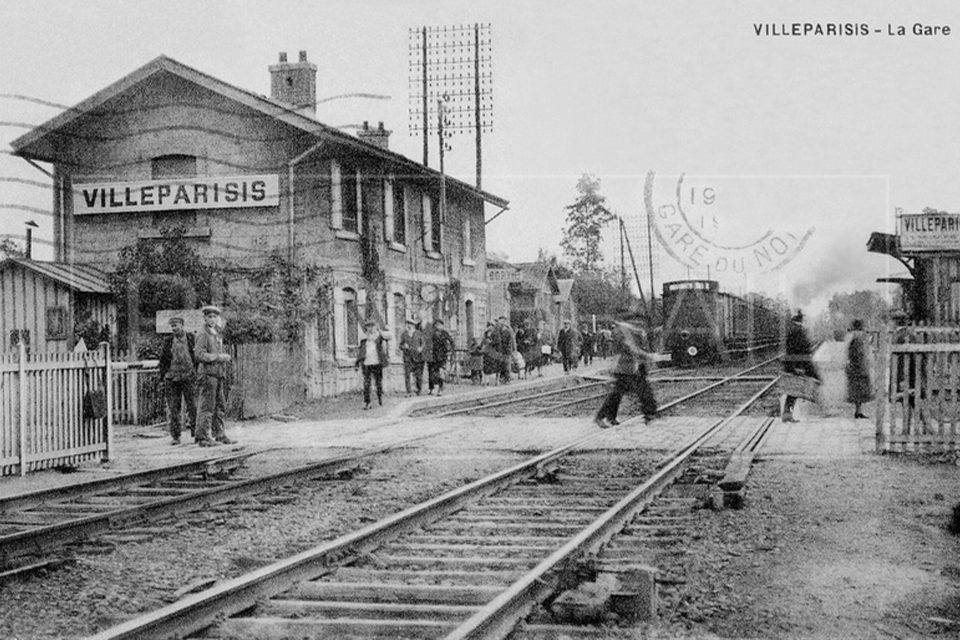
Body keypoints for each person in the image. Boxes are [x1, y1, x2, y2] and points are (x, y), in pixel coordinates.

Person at [595, 316, 657, 427]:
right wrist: (648, 356)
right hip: (623, 367)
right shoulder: (623, 331)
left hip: (631, 367)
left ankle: (608, 417)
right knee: (618, 393)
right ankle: (602, 416)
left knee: (620, 393)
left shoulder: (632, 331)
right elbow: (631, 348)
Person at [194, 305, 236, 446]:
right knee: (207, 407)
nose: (212, 319)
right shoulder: (202, 334)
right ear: (205, 318)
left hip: (217, 374)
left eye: (214, 317)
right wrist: (219, 357)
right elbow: (199, 354)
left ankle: (219, 434)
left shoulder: (216, 333)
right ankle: (203, 438)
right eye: (209, 316)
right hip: (207, 375)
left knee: (220, 406)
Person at [158, 316, 197, 445]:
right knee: (174, 408)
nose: (174, 328)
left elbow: (196, 356)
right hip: (172, 378)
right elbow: (163, 359)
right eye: (172, 326)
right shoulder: (168, 341)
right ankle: (176, 436)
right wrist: (163, 376)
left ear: (182, 325)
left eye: (176, 325)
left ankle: (196, 433)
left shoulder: (191, 338)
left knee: (193, 406)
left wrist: (196, 372)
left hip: (188, 377)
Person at [782, 311, 820, 423]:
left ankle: (787, 414)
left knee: (793, 392)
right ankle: (787, 414)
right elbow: (802, 349)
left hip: (792, 365)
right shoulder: (798, 331)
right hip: (797, 365)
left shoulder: (792, 330)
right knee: (794, 391)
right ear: (800, 321)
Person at [355, 320, 390, 409]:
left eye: (372, 326)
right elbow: (361, 351)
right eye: (368, 326)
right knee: (366, 383)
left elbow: (389, 336)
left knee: (378, 382)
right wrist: (358, 362)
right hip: (366, 363)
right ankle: (367, 402)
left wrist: (380, 331)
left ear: (375, 327)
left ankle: (380, 399)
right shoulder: (364, 338)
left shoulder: (379, 336)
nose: (370, 328)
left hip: (377, 362)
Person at [846, 319, 872, 419]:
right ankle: (858, 411)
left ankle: (858, 411)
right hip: (858, 367)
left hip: (855, 367)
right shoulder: (857, 338)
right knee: (859, 389)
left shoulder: (853, 337)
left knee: (857, 390)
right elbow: (859, 353)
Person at [425, 318, 454, 396]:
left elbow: (451, 342)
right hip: (434, 355)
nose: (438, 326)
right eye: (436, 325)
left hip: (442, 356)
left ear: (442, 325)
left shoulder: (445, 333)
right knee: (432, 373)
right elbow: (429, 343)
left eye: (439, 325)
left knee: (441, 373)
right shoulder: (433, 333)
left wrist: (450, 351)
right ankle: (431, 388)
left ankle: (440, 389)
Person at [398, 318, 425, 396]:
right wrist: (404, 346)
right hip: (407, 357)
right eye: (407, 324)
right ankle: (408, 391)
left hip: (417, 357)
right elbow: (400, 345)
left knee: (418, 375)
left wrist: (420, 348)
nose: (409, 325)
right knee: (407, 375)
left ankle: (419, 390)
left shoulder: (419, 333)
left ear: (414, 325)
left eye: (410, 324)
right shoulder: (404, 334)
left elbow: (423, 343)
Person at [495, 316, 516, 383]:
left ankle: (507, 379)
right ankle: (504, 378)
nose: (499, 323)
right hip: (503, 350)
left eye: (501, 322)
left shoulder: (507, 330)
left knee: (507, 365)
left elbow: (509, 341)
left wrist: (510, 350)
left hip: (506, 350)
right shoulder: (501, 329)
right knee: (504, 365)